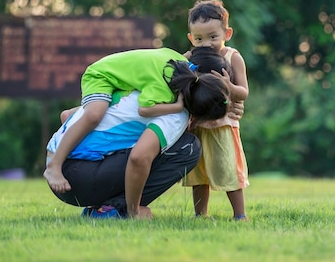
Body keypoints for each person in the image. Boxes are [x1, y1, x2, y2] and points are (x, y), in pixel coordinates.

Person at [46, 47, 238, 219]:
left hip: (66, 162)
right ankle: (118, 209)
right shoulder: (173, 111)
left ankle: (102, 205)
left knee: (104, 119)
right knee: (188, 147)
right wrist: (134, 210)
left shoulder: (160, 79)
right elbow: (139, 157)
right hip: (75, 178)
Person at [182, 0, 251, 221]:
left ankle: (239, 214)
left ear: (227, 33)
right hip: (197, 124)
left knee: (228, 167)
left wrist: (229, 87)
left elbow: (244, 92)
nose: (206, 44)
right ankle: (200, 213)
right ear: (191, 38)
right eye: (199, 38)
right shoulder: (190, 59)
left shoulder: (232, 57)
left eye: (213, 37)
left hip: (224, 124)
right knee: (198, 171)